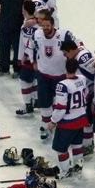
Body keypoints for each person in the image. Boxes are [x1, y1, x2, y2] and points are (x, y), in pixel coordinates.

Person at [33, 11, 75, 140]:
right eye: (43, 26)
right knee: (44, 102)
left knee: (60, 103)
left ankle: (58, 125)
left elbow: (75, 48)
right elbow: (35, 49)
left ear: (52, 25)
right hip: (43, 74)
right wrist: (34, 61)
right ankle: (46, 126)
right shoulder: (37, 34)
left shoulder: (64, 35)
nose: (45, 28)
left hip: (60, 76)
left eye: (48, 26)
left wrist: (71, 68)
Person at [48, 58, 89, 178]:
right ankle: (78, 165)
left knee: (60, 149)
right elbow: (85, 94)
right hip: (80, 118)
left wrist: (53, 121)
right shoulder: (82, 79)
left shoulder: (63, 85)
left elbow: (61, 107)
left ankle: (65, 171)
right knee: (77, 145)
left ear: (65, 68)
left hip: (68, 122)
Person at [60, 39, 95, 154]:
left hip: (90, 91)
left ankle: (88, 145)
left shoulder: (82, 57)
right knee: (85, 118)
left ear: (70, 50)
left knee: (87, 120)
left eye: (65, 53)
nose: (65, 56)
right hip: (86, 91)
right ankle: (87, 143)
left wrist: (94, 94)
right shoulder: (78, 53)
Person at [16, 0, 39, 116]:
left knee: (24, 81)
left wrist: (20, 58)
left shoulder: (26, 26)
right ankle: (35, 100)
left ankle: (28, 104)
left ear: (24, 10)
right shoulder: (36, 24)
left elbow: (23, 43)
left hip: (29, 58)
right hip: (36, 58)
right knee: (33, 80)